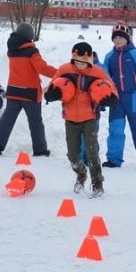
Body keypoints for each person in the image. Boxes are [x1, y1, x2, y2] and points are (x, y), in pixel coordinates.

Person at [44, 42, 118, 198]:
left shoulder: (98, 72)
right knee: (72, 154)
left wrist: (112, 99)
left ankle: (97, 183)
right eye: (77, 62)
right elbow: (52, 85)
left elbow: (112, 88)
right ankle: (81, 173)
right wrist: (50, 95)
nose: (80, 65)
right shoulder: (64, 70)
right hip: (70, 118)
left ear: (89, 60)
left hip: (90, 118)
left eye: (83, 62)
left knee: (92, 152)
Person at [0, 22, 57, 157]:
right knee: (35, 121)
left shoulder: (12, 50)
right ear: (29, 36)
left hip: (13, 90)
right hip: (30, 93)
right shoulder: (31, 51)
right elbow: (42, 68)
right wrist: (60, 73)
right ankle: (40, 150)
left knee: (7, 119)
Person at [101, 21, 136, 169]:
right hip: (117, 100)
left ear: (127, 38)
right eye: (115, 37)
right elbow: (105, 77)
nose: (118, 40)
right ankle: (113, 159)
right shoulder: (109, 56)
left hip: (134, 98)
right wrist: (105, 96)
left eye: (121, 37)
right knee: (115, 130)